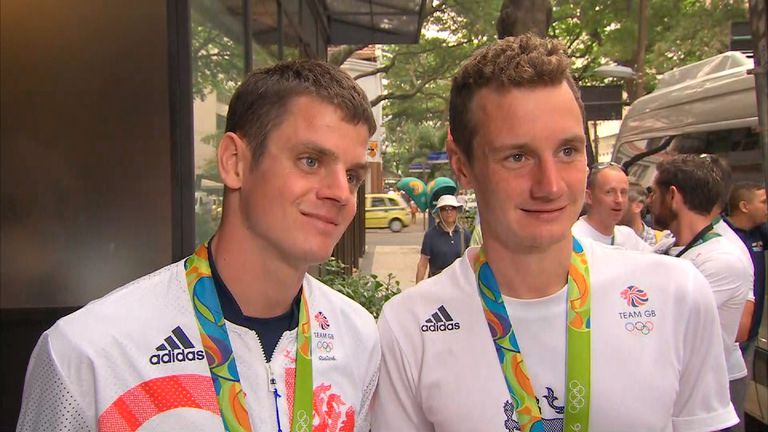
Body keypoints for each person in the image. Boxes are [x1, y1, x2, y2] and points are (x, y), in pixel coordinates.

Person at [372, 34, 737, 432]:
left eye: (567, 151)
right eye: (517, 156)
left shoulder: (676, 295)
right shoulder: (409, 327)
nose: (550, 186)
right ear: (462, 165)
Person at [17, 60, 381, 431]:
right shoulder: (89, 354)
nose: (340, 193)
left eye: (352, 176)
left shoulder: (357, 337)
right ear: (234, 162)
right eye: (310, 160)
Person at [647, 154, 751, 432]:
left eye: (653, 193)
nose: (648, 201)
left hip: (702, 405)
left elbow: (659, 323)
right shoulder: (669, 244)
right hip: (671, 394)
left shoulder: (722, 259)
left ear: (673, 197)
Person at [725, 182, 767, 379]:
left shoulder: (759, 233)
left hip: (751, 334)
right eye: (764, 202)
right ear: (744, 206)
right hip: (728, 337)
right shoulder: (723, 234)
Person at [571, 162, 652, 251]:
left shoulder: (628, 237)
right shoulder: (574, 239)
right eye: (609, 192)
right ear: (588, 197)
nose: (619, 200)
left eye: (623, 192)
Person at [416, 194, 471, 282]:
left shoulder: (464, 234)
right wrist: (417, 289)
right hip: (436, 284)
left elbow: (470, 263)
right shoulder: (430, 235)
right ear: (439, 213)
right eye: (444, 209)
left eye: (452, 208)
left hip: (458, 284)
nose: (449, 212)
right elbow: (423, 264)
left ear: (456, 211)